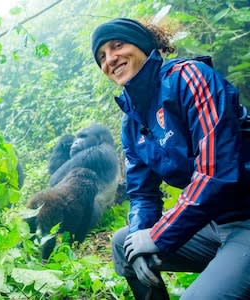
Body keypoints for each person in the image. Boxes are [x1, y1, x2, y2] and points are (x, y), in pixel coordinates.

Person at [91, 17, 250, 299]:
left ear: (143, 46)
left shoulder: (189, 78)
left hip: (245, 217)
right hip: (214, 224)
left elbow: (217, 171)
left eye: (117, 46)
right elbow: (142, 195)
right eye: (102, 56)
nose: (110, 59)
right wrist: (142, 237)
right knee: (125, 245)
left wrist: (159, 234)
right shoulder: (132, 122)